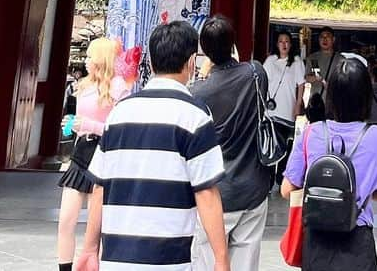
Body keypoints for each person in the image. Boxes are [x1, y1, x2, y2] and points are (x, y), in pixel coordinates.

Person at [74, 19, 229, 271]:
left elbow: (100, 186)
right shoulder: (195, 115)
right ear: (191, 62)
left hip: (116, 259)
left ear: (152, 62)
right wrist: (221, 258)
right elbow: (206, 193)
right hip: (167, 260)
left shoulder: (119, 113)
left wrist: (90, 248)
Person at [282, 54, 377, 271]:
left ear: (331, 95)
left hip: (316, 242)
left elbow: (286, 190)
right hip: (358, 242)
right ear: (366, 95)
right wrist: (357, 190)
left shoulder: (312, 133)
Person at [190, 14, 272, 271]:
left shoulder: (198, 92)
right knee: (246, 263)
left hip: (215, 193)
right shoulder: (256, 73)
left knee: (208, 260)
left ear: (204, 50)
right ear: (233, 44)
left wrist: (205, 75)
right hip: (253, 188)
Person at [58, 37, 126, 271]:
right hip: (81, 153)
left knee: (100, 225)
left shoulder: (119, 87)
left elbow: (120, 130)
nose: (86, 61)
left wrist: (90, 125)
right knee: (66, 220)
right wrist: (73, 125)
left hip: (105, 154)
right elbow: (80, 122)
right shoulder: (84, 86)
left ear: (101, 59)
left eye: (90, 57)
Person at [264, 30, 306, 146]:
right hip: (271, 111)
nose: (284, 44)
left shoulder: (297, 61)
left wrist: (298, 105)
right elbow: (263, 81)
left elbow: (301, 84)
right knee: (269, 147)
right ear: (277, 44)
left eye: (287, 41)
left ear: (291, 44)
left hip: (288, 109)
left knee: (285, 147)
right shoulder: (270, 60)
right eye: (281, 42)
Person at [306, 26, 340, 102]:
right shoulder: (313, 58)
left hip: (334, 103)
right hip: (316, 102)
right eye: (322, 37)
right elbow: (306, 78)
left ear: (333, 39)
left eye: (327, 36)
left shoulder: (340, 59)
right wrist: (315, 78)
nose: (324, 39)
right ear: (319, 39)